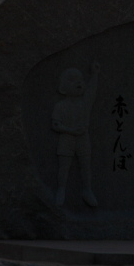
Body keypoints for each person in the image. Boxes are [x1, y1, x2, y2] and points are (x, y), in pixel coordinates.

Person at [52, 60, 99, 207]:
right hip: (66, 138)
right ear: (62, 88)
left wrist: (95, 74)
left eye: (80, 80)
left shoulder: (84, 104)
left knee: (86, 165)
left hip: (83, 139)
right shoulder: (60, 106)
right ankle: (61, 189)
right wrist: (71, 131)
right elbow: (55, 124)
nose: (78, 83)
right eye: (72, 80)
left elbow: (92, 91)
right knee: (64, 166)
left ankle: (87, 190)